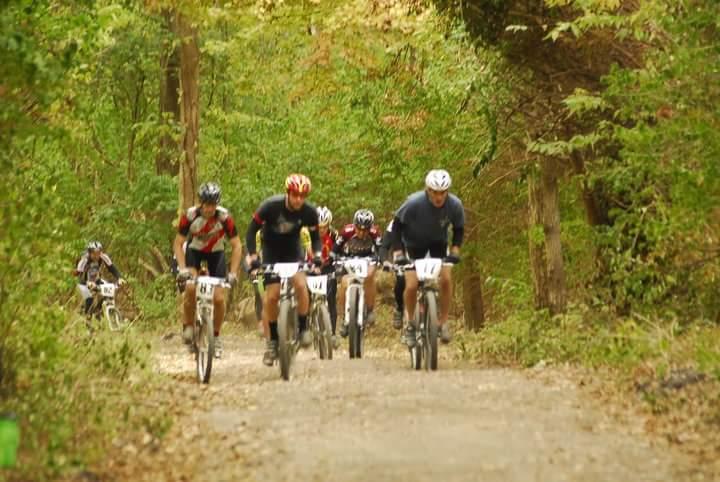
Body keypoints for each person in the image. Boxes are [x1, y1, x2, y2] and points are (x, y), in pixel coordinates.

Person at [245, 174, 323, 366]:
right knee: (271, 296)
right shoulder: (270, 206)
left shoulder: (309, 212)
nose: (299, 199)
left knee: (300, 284)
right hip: (271, 250)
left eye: (302, 196)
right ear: (288, 193)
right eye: (295, 195)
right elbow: (250, 230)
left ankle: (304, 328)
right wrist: (254, 256)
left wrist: (318, 256)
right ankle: (272, 342)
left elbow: (316, 238)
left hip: (292, 251)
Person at [391, 169, 464, 345]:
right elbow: (396, 226)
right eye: (435, 192)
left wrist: (455, 250)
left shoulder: (454, 205)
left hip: (438, 244)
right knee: (411, 284)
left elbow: (459, 229)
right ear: (427, 190)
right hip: (413, 245)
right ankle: (410, 323)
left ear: (447, 191)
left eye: (443, 193)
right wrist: (399, 252)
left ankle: (443, 322)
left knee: (446, 278)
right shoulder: (413, 203)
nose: (439, 197)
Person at [173, 182, 242, 359]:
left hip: (216, 254)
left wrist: (233, 273)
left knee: (219, 298)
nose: (210, 208)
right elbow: (178, 243)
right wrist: (182, 269)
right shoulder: (189, 216)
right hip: (194, 252)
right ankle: (188, 326)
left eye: (213, 204)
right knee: (190, 289)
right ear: (201, 202)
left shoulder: (225, 217)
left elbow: (236, 245)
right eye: (207, 204)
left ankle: (216, 336)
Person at [333, 209, 382, 337]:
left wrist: (381, 259)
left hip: (368, 259)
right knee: (344, 283)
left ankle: (370, 309)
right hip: (349, 259)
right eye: (359, 229)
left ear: (370, 228)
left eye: (365, 229)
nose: (361, 232)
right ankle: (344, 318)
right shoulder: (347, 231)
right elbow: (335, 249)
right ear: (354, 226)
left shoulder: (375, 233)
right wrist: (333, 258)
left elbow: (381, 250)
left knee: (369, 276)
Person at [75, 241, 126, 316]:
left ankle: (99, 311)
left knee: (108, 293)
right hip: (83, 282)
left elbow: (112, 268)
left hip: (96, 280)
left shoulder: (103, 256)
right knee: (90, 299)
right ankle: (87, 320)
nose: (96, 256)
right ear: (89, 253)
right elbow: (79, 275)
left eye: (98, 253)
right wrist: (87, 283)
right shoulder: (84, 260)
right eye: (94, 253)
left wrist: (120, 278)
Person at [315, 206, 339, 348]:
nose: (321, 230)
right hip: (313, 267)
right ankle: (304, 327)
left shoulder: (335, 235)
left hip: (329, 268)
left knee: (331, 299)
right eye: (319, 227)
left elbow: (341, 250)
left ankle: (333, 333)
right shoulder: (307, 234)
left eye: (324, 227)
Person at [379, 220, 405, 330]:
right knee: (401, 280)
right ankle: (399, 309)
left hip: (420, 254)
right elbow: (384, 246)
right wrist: (385, 261)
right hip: (401, 255)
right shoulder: (395, 222)